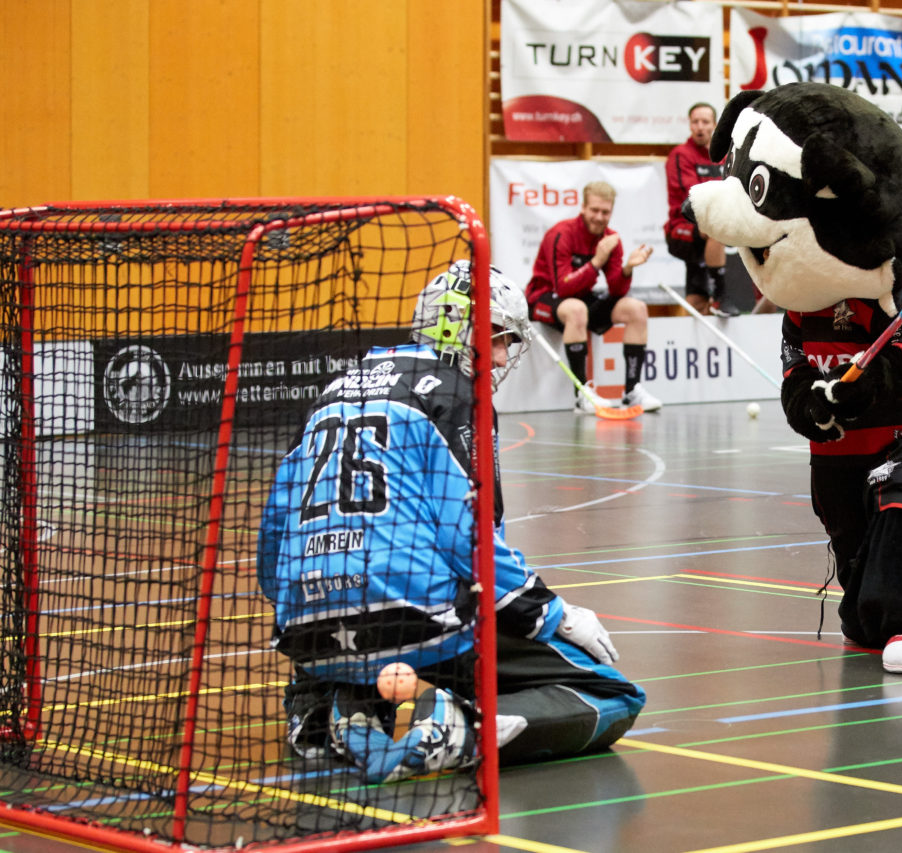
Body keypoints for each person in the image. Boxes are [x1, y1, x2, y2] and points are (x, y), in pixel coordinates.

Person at [257, 261, 646, 783]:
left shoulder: (332, 392)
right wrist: (553, 615)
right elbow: (473, 542)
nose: (505, 355)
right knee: (615, 695)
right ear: (458, 328)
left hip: (308, 634)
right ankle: (461, 729)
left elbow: (273, 539)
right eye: (499, 338)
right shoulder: (456, 393)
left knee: (364, 640)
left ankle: (329, 706)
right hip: (417, 620)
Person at [525, 181, 661, 413]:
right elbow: (564, 287)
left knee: (636, 308)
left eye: (605, 212)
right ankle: (582, 395)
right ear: (583, 208)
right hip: (544, 298)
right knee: (577, 308)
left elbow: (617, 290)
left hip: (580, 297)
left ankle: (631, 391)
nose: (599, 217)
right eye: (594, 210)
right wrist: (597, 260)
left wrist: (628, 268)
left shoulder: (611, 239)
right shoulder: (561, 234)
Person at [664, 102, 737, 317]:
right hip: (682, 229)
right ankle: (721, 296)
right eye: (695, 122)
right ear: (689, 125)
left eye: (705, 122)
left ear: (714, 125)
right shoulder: (680, 154)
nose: (700, 127)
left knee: (696, 299)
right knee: (714, 230)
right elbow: (693, 195)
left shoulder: (725, 156)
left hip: (714, 225)